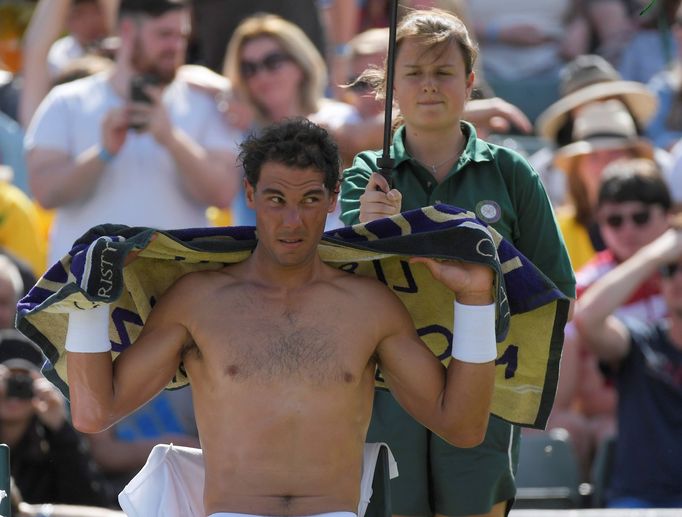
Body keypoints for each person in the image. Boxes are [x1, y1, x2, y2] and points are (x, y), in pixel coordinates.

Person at [63, 117, 497, 517]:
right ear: (250, 194)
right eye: (276, 198)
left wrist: (476, 298)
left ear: (332, 198)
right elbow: (93, 413)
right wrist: (89, 302)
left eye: (309, 199)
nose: (292, 220)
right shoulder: (197, 301)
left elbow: (462, 427)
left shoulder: (371, 306)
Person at [339, 9, 575, 517]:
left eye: (443, 72)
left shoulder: (512, 173)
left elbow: (555, 289)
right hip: (386, 394)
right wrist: (365, 226)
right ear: (390, 87)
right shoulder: (365, 175)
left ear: (470, 83)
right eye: (414, 74)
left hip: (483, 392)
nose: (429, 86)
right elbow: (342, 281)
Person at [25, 0, 241, 265]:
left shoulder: (206, 103)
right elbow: (44, 192)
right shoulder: (67, 101)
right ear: (127, 30)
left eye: (181, 36)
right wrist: (103, 154)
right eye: (164, 35)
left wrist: (171, 139)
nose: (176, 46)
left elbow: (222, 193)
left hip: (179, 294)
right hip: (86, 296)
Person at [534, 158, 672, 477]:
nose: (628, 230)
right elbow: (569, 405)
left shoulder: (675, 278)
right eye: (614, 220)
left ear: (667, 216)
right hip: (615, 422)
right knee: (574, 430)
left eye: (640, 217)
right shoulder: (584, 285)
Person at [573, 214, 682, 508]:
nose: (679, 278)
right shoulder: (641, 342)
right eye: (670, 269)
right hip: (637, 503)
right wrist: (653, 253)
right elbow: (587, 317)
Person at [0, 329, 112, 507]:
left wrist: (60, 428)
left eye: (24, 382)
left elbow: (92, 503)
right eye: (9, 382)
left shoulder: (51, 445)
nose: (16, 392)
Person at [553, 99, 658, 271]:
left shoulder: (661, 222)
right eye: (593, 156)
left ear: (635, 160)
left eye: (614, 153)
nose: (604, 165)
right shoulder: (556, 232)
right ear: (578, 169)